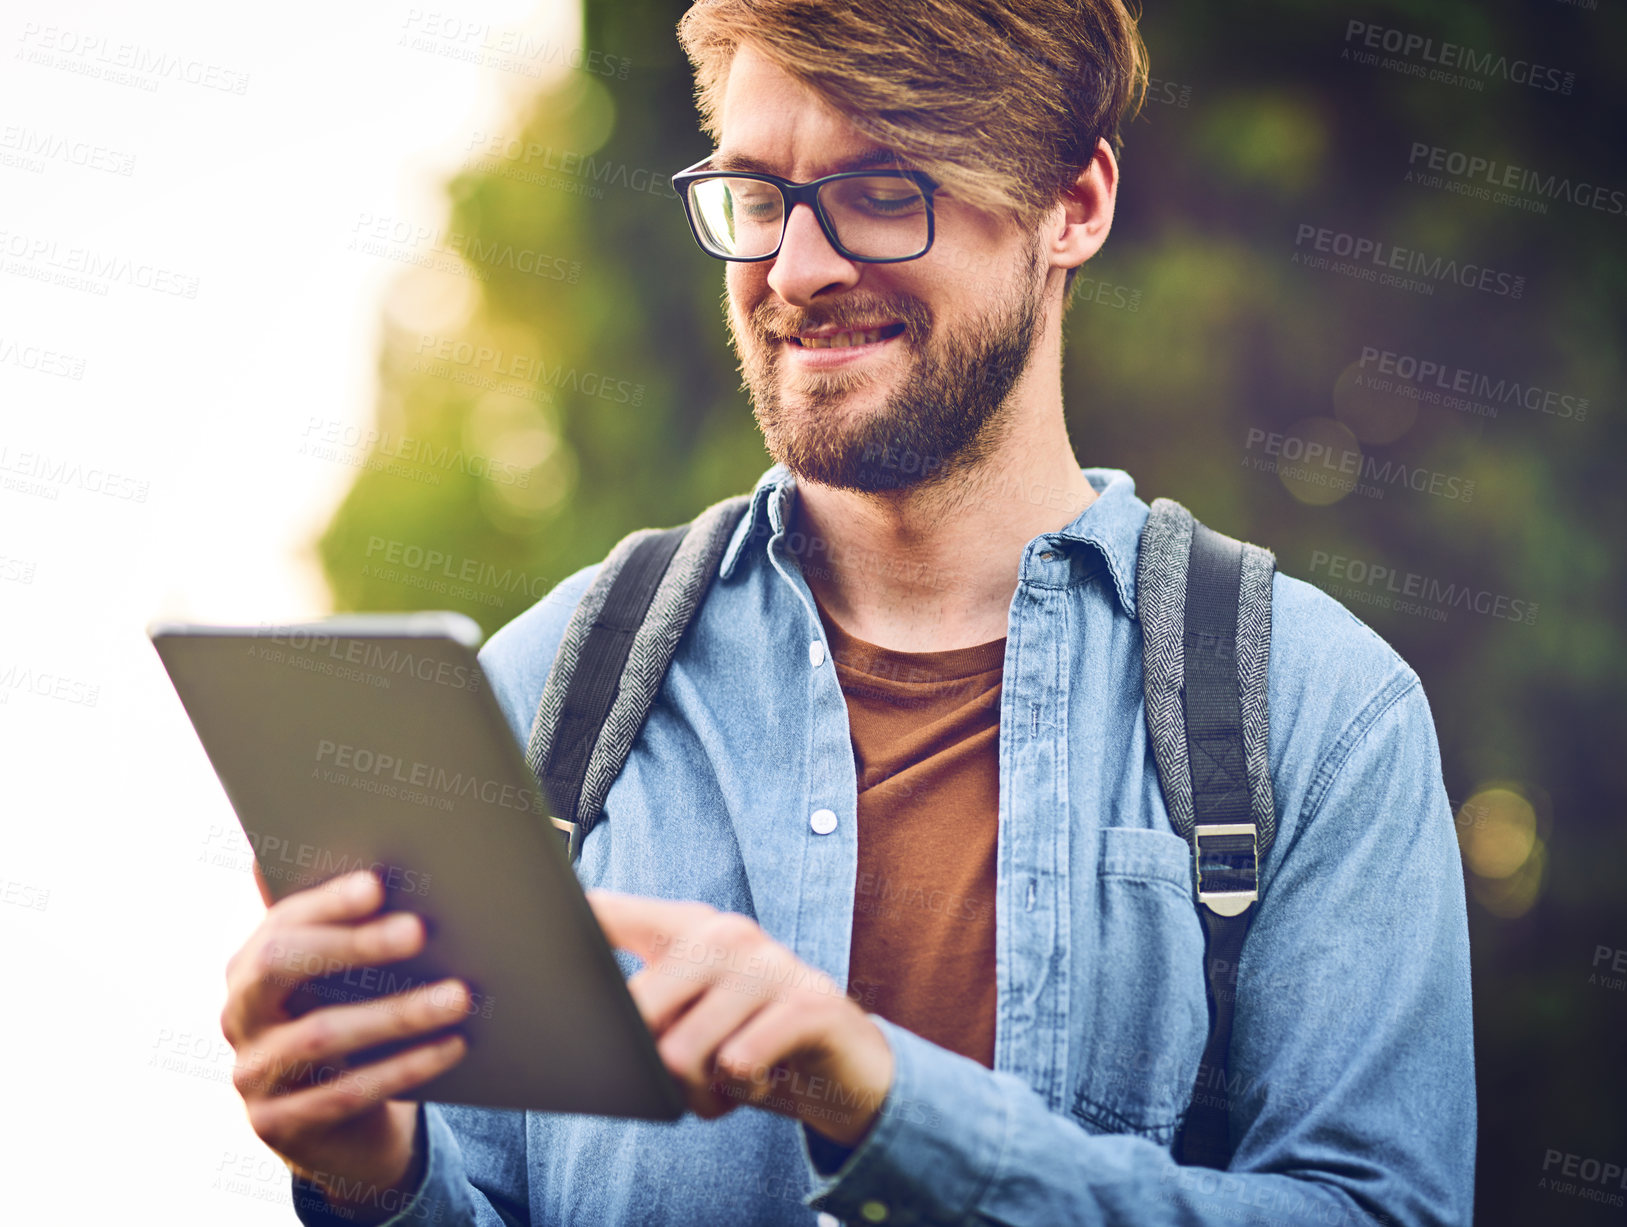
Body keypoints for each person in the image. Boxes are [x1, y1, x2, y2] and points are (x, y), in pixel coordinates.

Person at [218, 2, 1476, 1223]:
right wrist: (372, 1178)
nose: (796, 270)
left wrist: (886, 1106)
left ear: (1072, 206)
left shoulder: (1318, 714)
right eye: (758, 196)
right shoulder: (545, 695)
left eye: (884, 191)